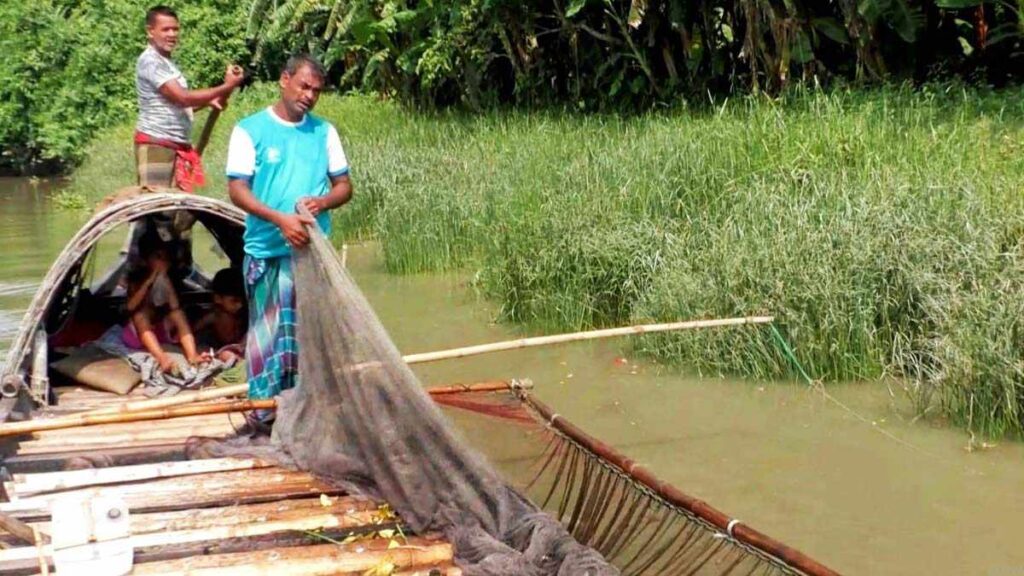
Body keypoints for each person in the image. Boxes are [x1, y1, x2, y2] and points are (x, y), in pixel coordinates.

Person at [225, 54, 353, 402]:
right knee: (267, 340)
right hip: (266, 252)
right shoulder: (250, 130)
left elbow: (344, 186)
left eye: (316, 91)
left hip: (311, 254)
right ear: (285, 80)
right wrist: (280, 219)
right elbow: (237, 190)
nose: (309, 96)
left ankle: (308, 407)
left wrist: (322, 202)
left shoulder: (324, 132)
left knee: (310, 338)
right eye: (303, 86)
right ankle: (264, 410)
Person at [136, 5, 244, 191]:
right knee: (156, 204)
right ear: (150, 31)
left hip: (175, 145)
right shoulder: (151, 61)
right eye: (165, 29)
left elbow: (176, 105)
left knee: (174, 205)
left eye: (175, 29)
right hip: (156, 144)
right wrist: (227, 86)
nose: (172, 34)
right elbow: (182, 98)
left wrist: (208, 101)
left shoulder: (168, 63)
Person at [122, 232, 208, 373]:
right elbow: (131, 307)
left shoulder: (170, 279)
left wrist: (165, 278)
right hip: (140, 331)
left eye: (165, 258)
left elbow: (175, 306)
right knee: (140, 316)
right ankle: (162, 358)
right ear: (147, 260)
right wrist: (150, 279)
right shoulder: (137, 280)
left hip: (160, 327)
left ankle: (192, 355)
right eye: (158, 257)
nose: (162, 262)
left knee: (178, 314)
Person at [194, 267, 248, 362]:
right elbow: (195, 329)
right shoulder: (215, 316)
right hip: (218, 346)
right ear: (218, 299)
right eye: (234, 301)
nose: (240, 305)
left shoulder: (243, 314)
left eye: (242, 301)